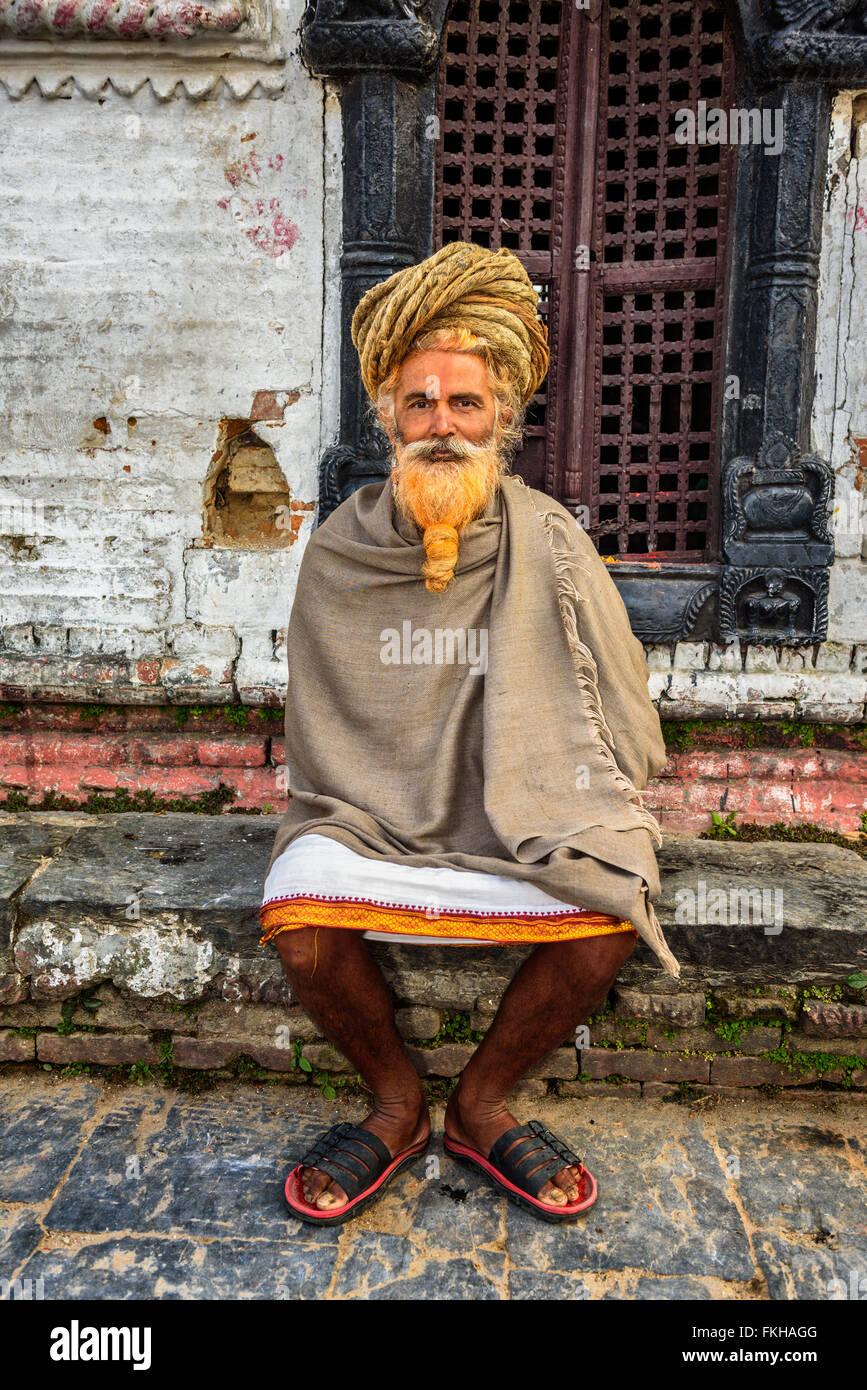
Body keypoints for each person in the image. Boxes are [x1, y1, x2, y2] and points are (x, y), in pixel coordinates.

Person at [259, 240, 679, 1226]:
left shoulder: (549, 539)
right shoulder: (340, 550)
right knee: (303, 921)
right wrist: (375, 807)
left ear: (502, 416)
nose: (440, 425)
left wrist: (567, 792)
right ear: (390, 417)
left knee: (614, 901)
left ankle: (483, 1102)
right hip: (366, 812)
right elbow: (333, 734)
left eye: (463, 404)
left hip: (527, 802)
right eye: (420, 403)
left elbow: (593, 702)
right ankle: (399, 1102)